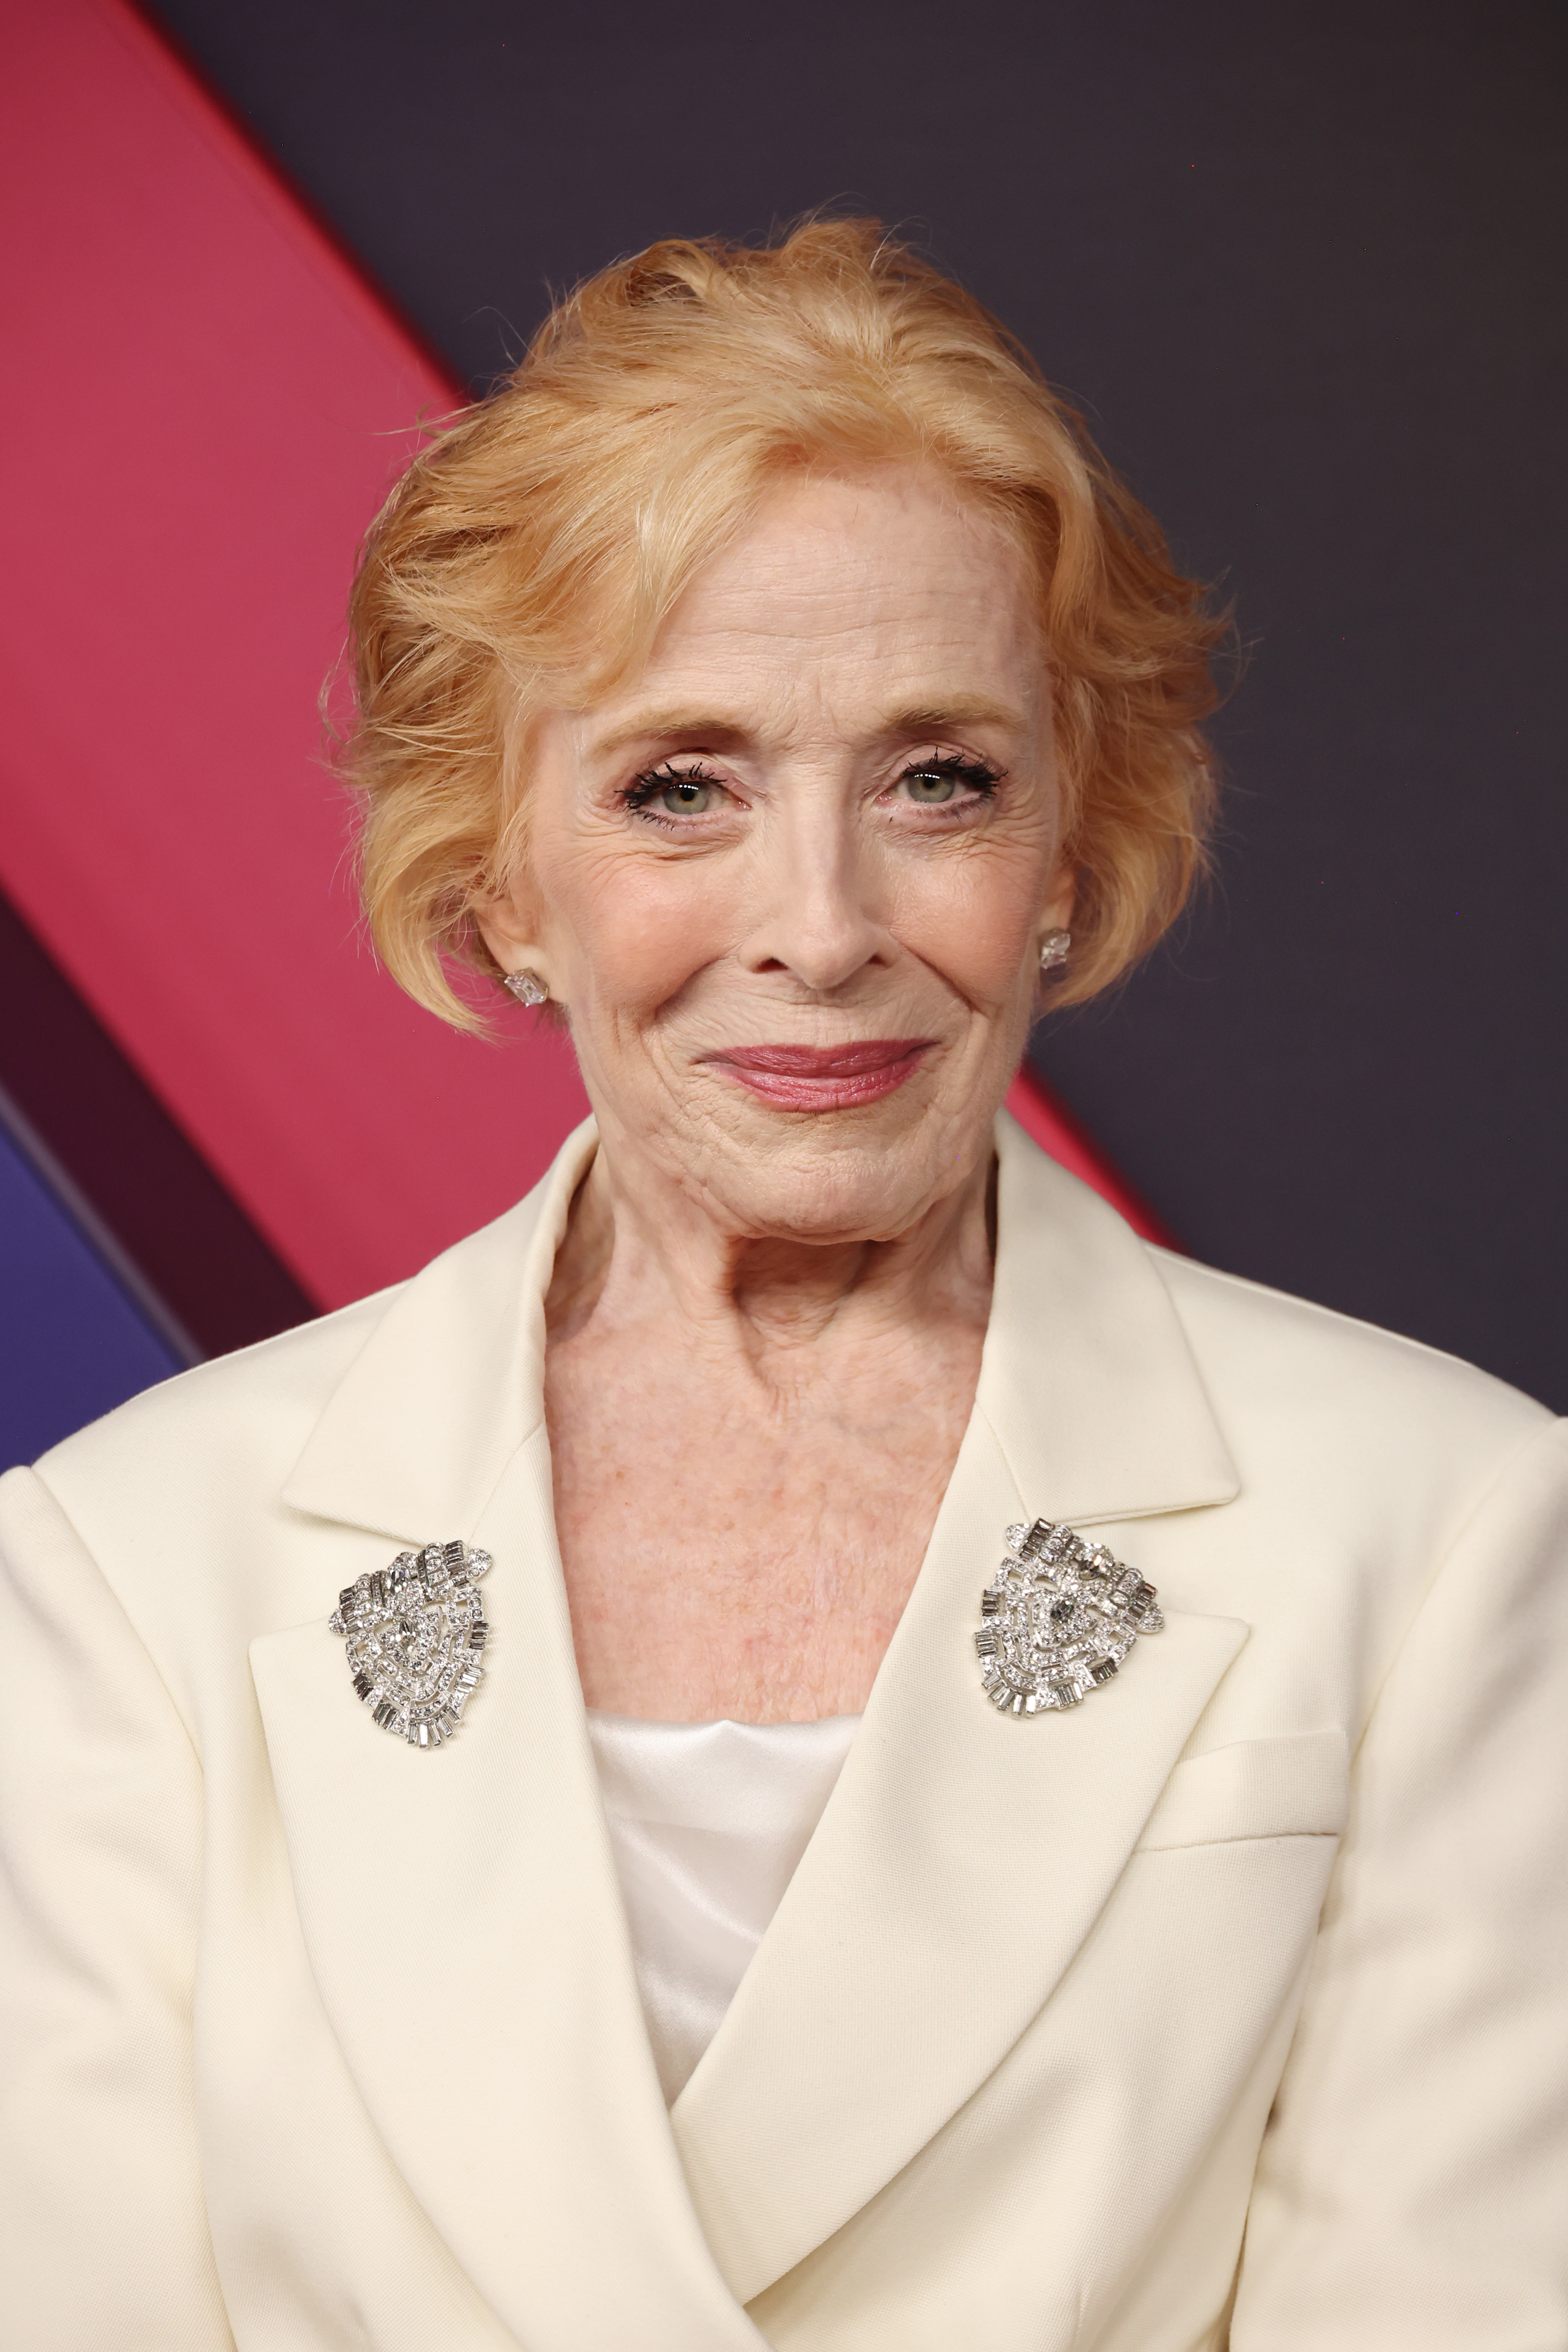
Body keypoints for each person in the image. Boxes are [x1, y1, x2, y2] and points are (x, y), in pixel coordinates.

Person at [2, 220, 1563, 2352]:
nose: (819, 924)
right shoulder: (122, 1564)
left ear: (1067, 852)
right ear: (496, 877)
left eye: (940, 778)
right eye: (680, 787)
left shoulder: (1448, 1525)